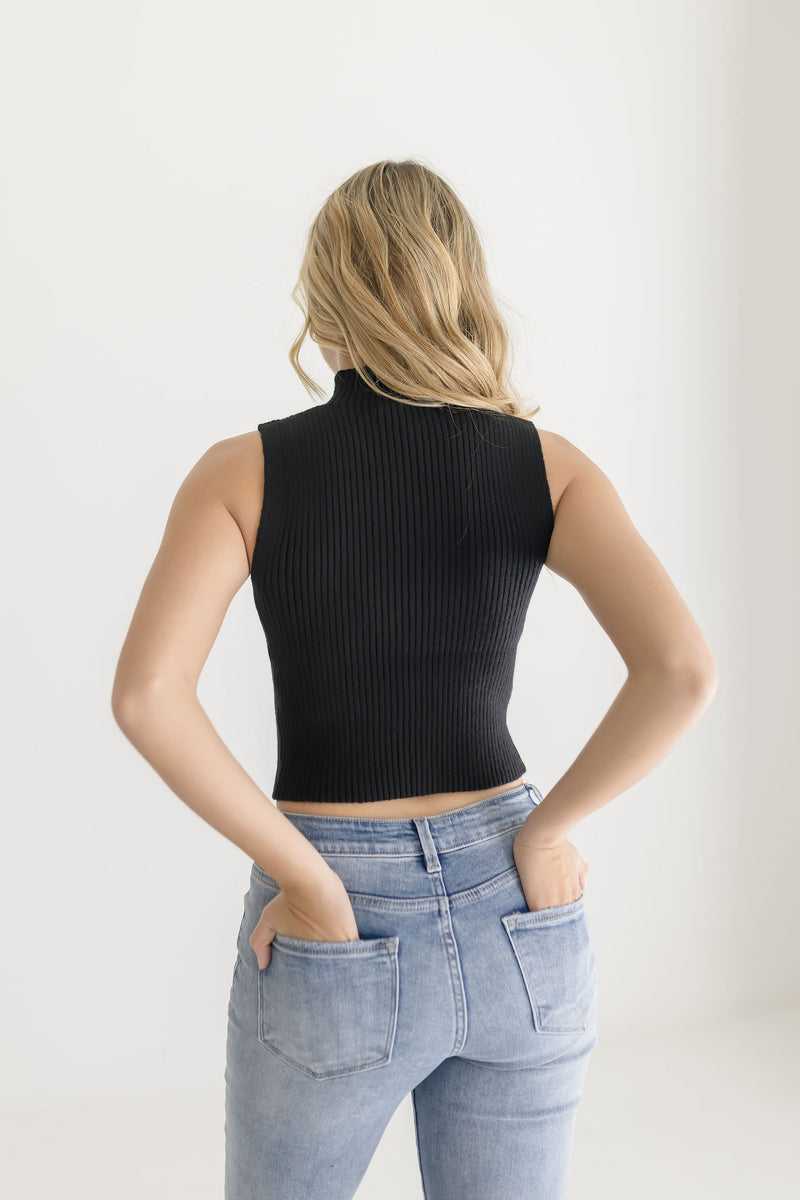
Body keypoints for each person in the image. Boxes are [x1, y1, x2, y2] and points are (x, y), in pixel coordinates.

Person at [111, 159, 718, 1200]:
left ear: (323, 298)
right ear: (458, 286)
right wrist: (546, 834)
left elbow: (147, 697)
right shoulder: (547, 465)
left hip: (333, 914)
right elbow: (681, 669)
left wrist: (308, 879)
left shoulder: (240, 473)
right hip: (518, 912)